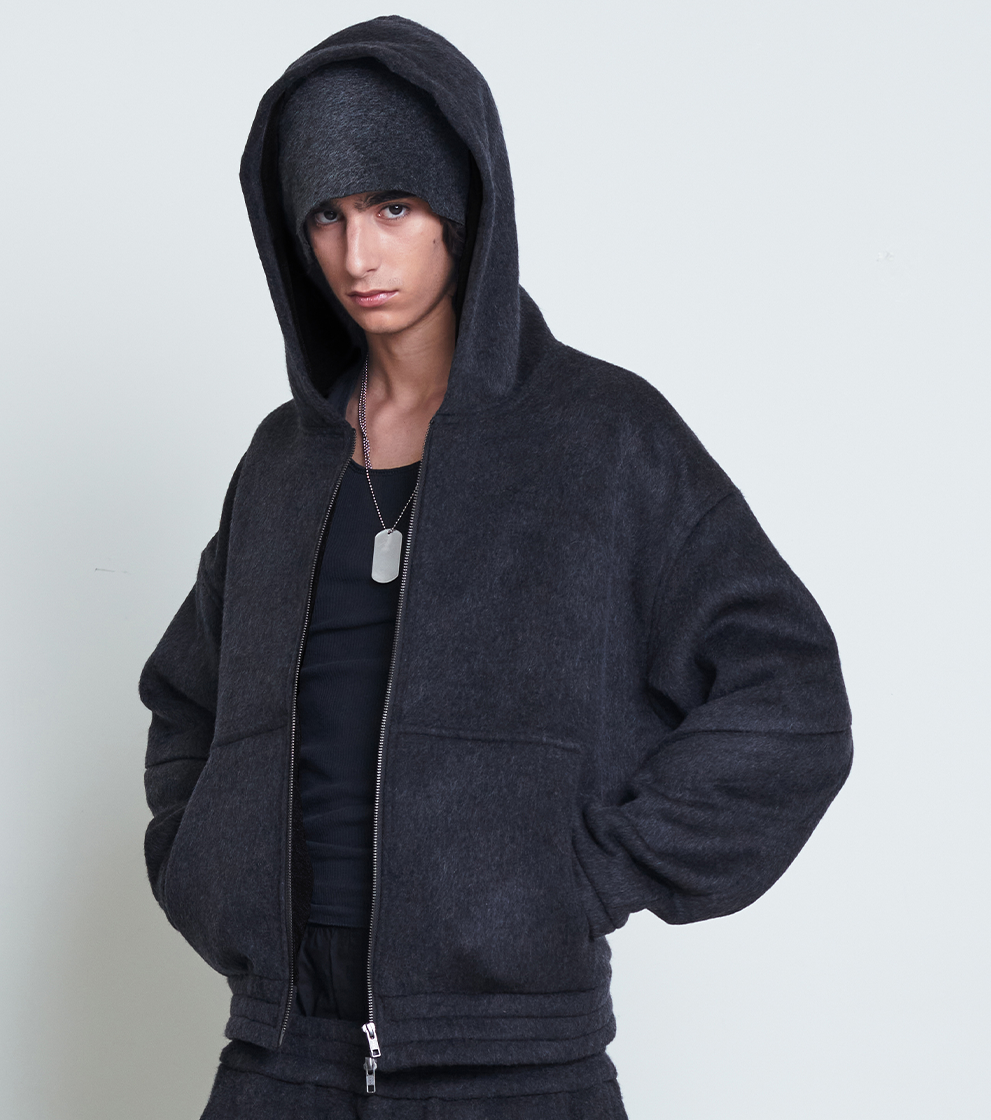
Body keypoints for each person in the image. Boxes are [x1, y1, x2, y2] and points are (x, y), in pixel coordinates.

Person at [139, 15, 852, 1119]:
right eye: (325, 215)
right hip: (279, 1060)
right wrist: (206, 863)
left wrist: (590, 874)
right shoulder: (283, 461)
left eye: (393, 207)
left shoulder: (601, 434)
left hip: (516, 1068)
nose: (358, 255)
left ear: (461, 210)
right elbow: (187, 700)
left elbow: (790, 691)